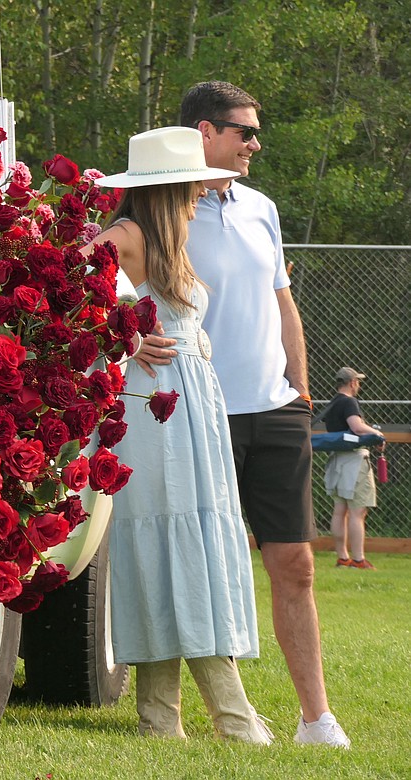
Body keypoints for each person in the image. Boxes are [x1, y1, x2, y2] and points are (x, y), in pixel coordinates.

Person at [137, 80, 351, 748]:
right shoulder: (160, 216)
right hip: (200, 416)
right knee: (205, 561)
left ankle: (316, 718)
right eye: (245, 131)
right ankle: (228, 712)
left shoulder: (262, 208)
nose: (256, 143)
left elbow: (283, 301)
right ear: (205, 132)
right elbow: (104, 292)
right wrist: (126, 333)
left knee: (297, 565)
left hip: (279, 411)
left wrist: (303, 393)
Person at [85, 126, 271, 744]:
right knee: (167, 539)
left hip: (192, 409)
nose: (201, 195)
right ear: (168, 189)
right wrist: (125, 336)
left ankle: (159, 717)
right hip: (154, 413)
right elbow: (67, 299)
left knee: (182, 537)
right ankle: (232, 715)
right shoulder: (126, 238)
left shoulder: (170, 241)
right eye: (192, 186)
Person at [322, 367, 384, 569]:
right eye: (357, 381)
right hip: (354, 462)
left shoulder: (333, 403)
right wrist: (376, 434)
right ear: (352, 383)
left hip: (337, 460)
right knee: (358, 512)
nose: (358, 385)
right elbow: (356, 426)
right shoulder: (349, 402)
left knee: (340, 510)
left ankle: (342, 557)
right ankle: (358, 560)